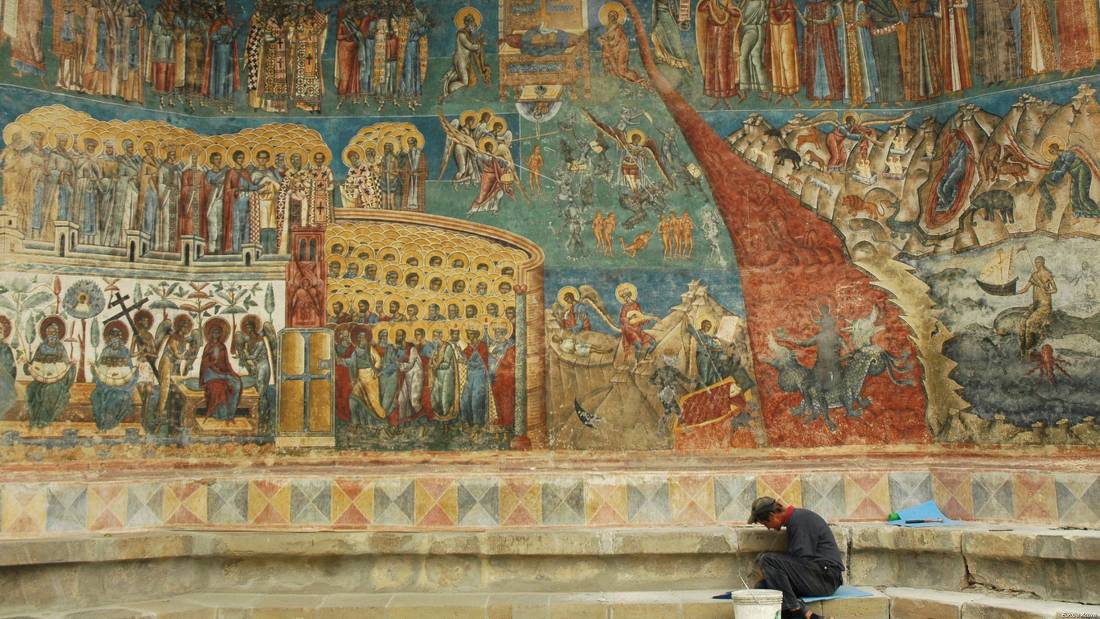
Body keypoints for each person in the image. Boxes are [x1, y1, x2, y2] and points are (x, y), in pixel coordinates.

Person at [748, 496, 844, 619]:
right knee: (763, 588)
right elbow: (796, 566)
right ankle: (809, 615)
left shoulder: (800, 519)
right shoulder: (794, 521)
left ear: (772, 515)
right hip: (816, 576)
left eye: (766, 523)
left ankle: (797, 611)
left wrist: (769, 567)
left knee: (766, 560)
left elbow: (802, 560)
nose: (768, 528)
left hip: (826, 578)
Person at [1018, 256, 1056, 354]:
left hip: (1044, 305)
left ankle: (1029, 348)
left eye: (1038, 262)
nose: (1036, 264)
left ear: (1043, 262)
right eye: (1035, 262)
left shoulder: (1048, 274)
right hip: (1035, 305)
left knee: (1029, 322)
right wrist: (1014, 292)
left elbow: (1055, 289)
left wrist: (1047, 290)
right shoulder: (1034, 275)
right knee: (1022, 321)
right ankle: (1022, 347)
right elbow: (1025, 289)